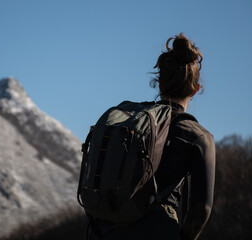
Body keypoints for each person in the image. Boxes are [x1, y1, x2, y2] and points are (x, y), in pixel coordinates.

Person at [87, 33, 216, 240]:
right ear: (195, 89)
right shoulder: (198, 136)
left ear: (159, 83)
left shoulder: (129, 120)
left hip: (103, 231)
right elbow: (202, 209)